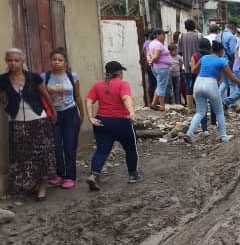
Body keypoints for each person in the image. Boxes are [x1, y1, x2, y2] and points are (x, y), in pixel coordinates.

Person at [0, 48, 56, 200]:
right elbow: (2, 98)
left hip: (38, 119)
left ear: (22, 61)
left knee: (41, 154)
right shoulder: (3, 79)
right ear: (6, 61)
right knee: (22, 155)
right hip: (17, 122)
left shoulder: (33, 77)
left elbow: (45, 94)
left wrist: (53, 112)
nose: (13, 63)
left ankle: (42, 186)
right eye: (10, 60)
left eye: (16, 60)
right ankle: (31, 184)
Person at [85, 61, 139, 191]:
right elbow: (126, 98)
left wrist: (91, 118)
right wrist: (131, 112)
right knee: (131, 148)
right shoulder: (123, 84)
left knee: (102, 150)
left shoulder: (98, 85)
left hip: (102, 122)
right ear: (119, 73)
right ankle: (133, 175)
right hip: (121, 122)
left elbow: (89, 100)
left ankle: (94, 175)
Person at [183, 40, 240, 145]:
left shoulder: (203, 58)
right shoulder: (222, 61)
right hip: (211, 84)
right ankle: (223, 136)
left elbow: (193, 70)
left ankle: (189, 134)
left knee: (200, 112)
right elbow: (231, 78)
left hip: (198, 83)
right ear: (221, 51)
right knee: (219, 111)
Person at [43, 48, 84, 189]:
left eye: (60, 60)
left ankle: (70, 176)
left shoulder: (72, 76)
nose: (57, 62)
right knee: (56, 146)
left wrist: (82, 113)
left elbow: (77, 96)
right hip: (53, 116)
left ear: (65, 62)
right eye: (54, 59)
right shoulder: (44, 77)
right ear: (50, 61)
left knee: (69, 146)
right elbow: (42, 97)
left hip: (70, 114)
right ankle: (59, 175)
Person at [177, 20, 201, 110]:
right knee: (198, 85)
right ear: (194, 26)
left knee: (189, 85)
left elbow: (179, 52)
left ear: (185, 27)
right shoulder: (198, 36)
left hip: (187, 66)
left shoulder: (181, 36)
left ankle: (190, 107)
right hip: (198, 66)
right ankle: (199, 104)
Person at [147, 29, 172, 111]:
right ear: (157, 35)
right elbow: (156, 56)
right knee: (162, 86)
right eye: (162, 34)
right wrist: (151, 61)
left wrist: (151, 62)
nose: (164, 36)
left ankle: (154, 103)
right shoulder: (158, 45)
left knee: (159, 85)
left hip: (156, 67)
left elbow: (149, 55)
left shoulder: (151, 43)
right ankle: (162, 106)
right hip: (162, 68)